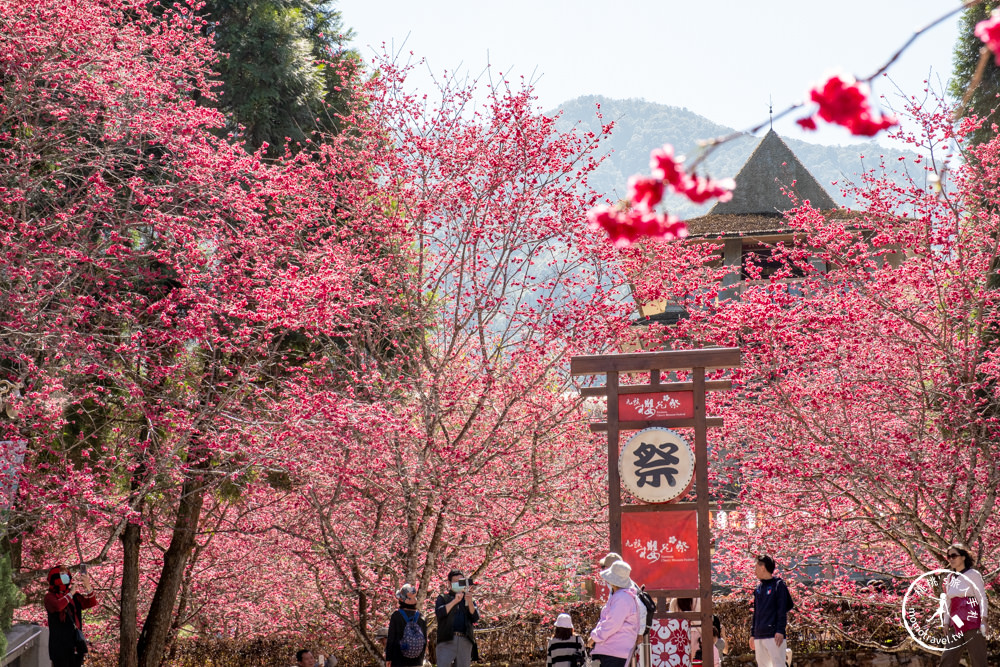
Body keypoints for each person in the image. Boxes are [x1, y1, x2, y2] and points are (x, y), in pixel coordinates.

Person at [940, 543, 988, 667]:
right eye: (948, 556)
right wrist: (945, 622)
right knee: (947, 659)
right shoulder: (950, 577)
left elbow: (982, 597)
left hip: (972, 620)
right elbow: (948, 601)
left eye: (954, 556)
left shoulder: (973, 574)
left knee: (978, 660)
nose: (951, 559)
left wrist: (984, 619)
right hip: (955, 621)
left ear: (963, 557)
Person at [587, 560, 640, 667]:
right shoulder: (625, 596)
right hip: (616, 650)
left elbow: (612, 623)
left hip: (613, 650)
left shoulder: (621, 598)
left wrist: (595, 637)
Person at [43, 565, 98, 667]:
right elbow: (59, 606)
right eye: (62, 574)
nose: (66, 577)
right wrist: (71, 593)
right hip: (60, 648)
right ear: (55, 578)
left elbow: (91, 602)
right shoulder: (49, 597)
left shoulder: (74, 596)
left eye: (67, 574)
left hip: (76, 645)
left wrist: (88, 586)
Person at [750, 556, 793, 667]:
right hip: (759, 635)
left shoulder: (778, 585)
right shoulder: (758, 589)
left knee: (778, 664)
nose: (754, 571)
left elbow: (783, 609)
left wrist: (780, 630)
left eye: (756, 567)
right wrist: (752, 634)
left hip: (774, 634)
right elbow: (756, 613)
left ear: (763, 567)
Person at [435, 569, 480, 667]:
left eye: (461, 581)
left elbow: (475, 617)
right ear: (449, 583)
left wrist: (470, 602)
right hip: (447, 639)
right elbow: (440, 613)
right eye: (455, 581)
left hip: (465, 639)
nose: (458, 584)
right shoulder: (443, 598)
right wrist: (455, 601)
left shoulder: (468, 598)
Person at [386, 584, 428, 667]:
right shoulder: (422, 617)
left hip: (398, 660)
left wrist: (388, 658)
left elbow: (391, 639)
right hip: (417, 661)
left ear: (401, 599)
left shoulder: (396, 616)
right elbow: (424, 641)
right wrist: (421, 659)